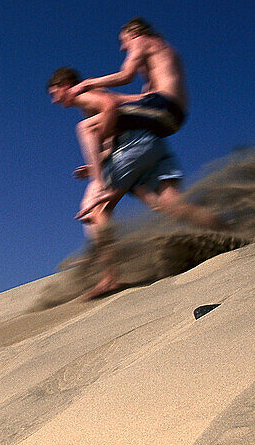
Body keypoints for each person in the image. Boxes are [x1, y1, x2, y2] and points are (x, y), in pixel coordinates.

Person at [49, 65, 226, 300]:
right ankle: (231, 233)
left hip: (132, 147)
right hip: (149, 145)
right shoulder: (98, 97)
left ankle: (110, 277)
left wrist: (100, 176)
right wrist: (97, 161)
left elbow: (110, 107)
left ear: (64, 86)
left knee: (97, 210)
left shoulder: (84, 96)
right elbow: (121, 113)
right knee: (172, 206)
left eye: (54, 93)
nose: (54, 101)